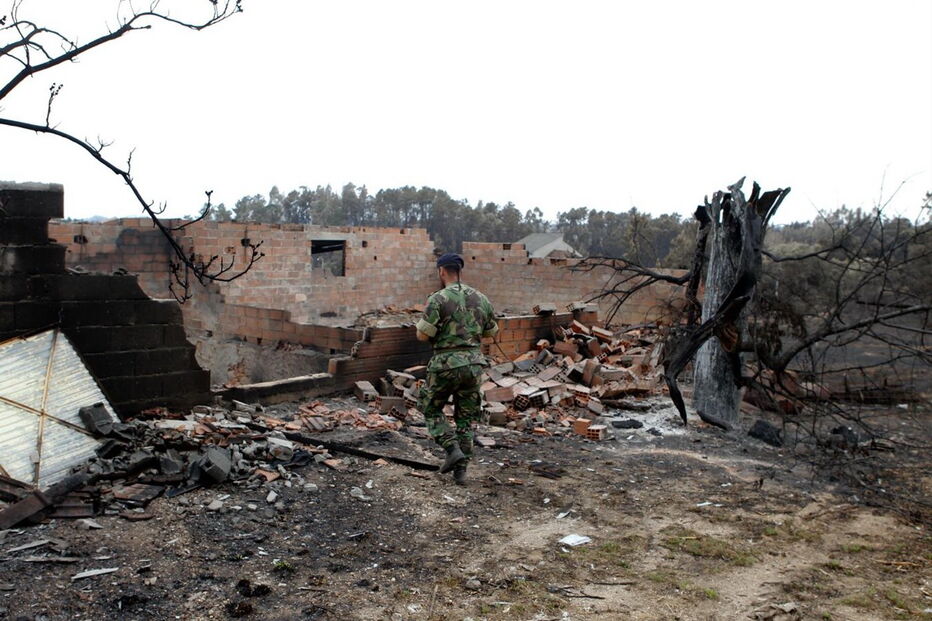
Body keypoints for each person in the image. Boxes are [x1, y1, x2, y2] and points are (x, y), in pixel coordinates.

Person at [415, 252, 498, 484]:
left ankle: (451, 449)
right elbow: (491, 332)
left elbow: (422, 335)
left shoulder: (438, 299)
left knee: (430, 408)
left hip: (445, 364)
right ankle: (461, 471)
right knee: (465, 418)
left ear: (441, 271)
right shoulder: (481, 298)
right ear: (460, 270)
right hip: (473, 365)